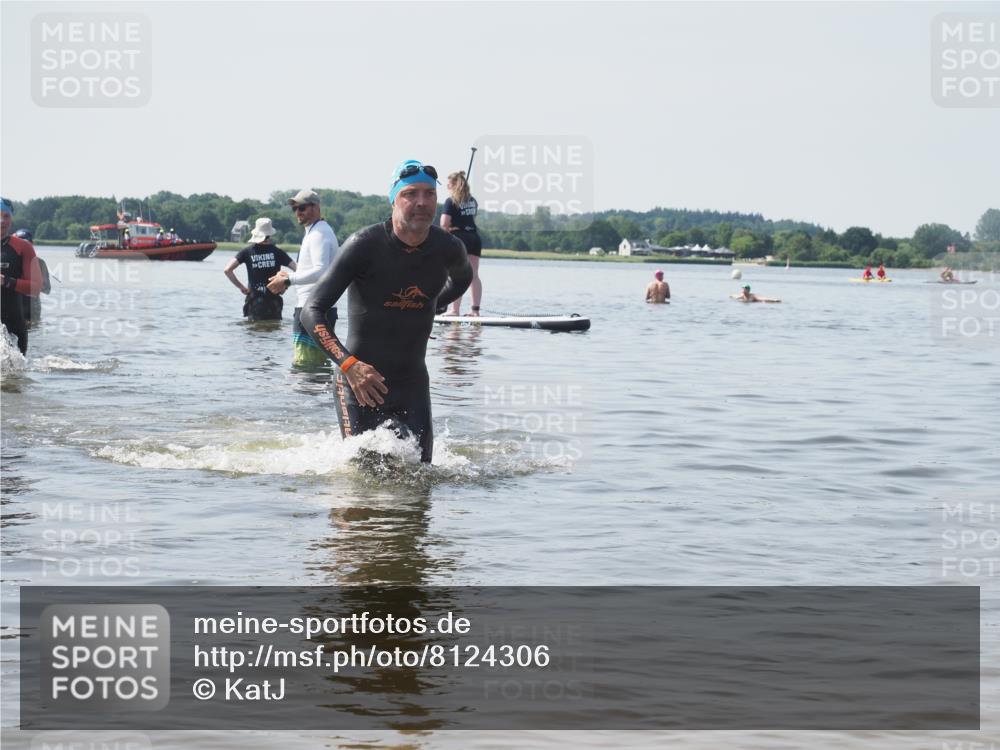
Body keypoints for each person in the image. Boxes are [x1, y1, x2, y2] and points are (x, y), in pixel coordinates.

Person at [301, 159, 472, 463]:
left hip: (412, 383)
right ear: (393, 200)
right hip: (359, 383)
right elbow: (312, 311)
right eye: (410, 194)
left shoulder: (449, 248)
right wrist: (348, 365)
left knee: (421, 477)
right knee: (363, 478)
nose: (421, 202)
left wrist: (431, 305)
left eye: (429, 194)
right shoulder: (364, 246)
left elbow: (463, 280)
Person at [266, 189, 339, 366]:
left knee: (306, 366)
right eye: (295, 209)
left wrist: (289, 279)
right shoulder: (314, 231)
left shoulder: (318, 234)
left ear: (315, 207)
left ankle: (306, 394)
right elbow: (312, 270)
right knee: (310, 365)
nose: (297, 212)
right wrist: (288, 277)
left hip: (315, 309)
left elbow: (322, 271)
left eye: (302, 208)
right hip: (313, 307)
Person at [223, 218, 296, 321]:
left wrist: (241, 287)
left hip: (254, 301)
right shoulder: (278, 252)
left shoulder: (247, 252)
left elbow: (227, 270)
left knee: (254, 331)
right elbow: (298, 270)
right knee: (273, 332)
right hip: (274, 302)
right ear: (269, 235)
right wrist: (285, 285)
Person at [1, 198, 43, 354]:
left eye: (6, 216)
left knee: (14, 376)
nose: (2, 221)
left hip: (14, 329)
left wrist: (6, 281)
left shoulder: (23, 247)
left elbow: (36, 288)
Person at [439, 170, 482, 316]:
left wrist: (447, 231)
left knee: (457, 275)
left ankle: (454, 310)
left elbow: (444, 223)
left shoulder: (450, 201)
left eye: (449, 185)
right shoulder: (473, 200)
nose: (447, 187)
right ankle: (475, 311)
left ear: (454, 185)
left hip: (460, 239)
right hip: (474, 238)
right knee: (474, 275)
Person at [13, 229, 50, 325]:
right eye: (20, 243)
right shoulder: (7, 261)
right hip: (12, 306)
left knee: (33, 332)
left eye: (27, 244)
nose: (24, 247)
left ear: (32, 244)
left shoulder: (40, 263)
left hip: (32, 308)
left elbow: (47, 289)